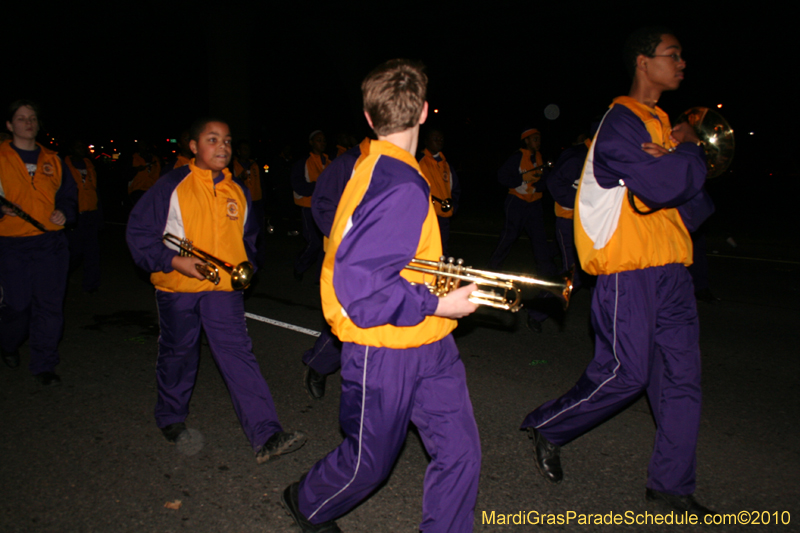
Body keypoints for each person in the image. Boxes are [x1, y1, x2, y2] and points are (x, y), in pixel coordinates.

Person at [520, 27, 716, 520]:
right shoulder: (622, 123)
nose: (682, 62)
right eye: (673, 55)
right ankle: (548, 426)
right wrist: (686, 153)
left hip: (673, 270)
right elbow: (661, 187)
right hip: (631, 272)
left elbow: (692, 204)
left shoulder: (661, 124)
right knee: (624, 374)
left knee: (682, 382)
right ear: (643, 63)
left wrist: (677, 161)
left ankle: (670, 485)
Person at [281, 59, 481, 533]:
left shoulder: (375, 166)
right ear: (426, 112)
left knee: (460, 452)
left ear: (369, 119)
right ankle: (305, 500)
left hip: (431, 343)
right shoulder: (398, 183)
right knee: (367, 464)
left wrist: (438, 290)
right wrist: (439, 302)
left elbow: (394, 258)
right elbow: (363, 292)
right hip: (385, 345)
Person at [126, 117, 306, 463]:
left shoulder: (238, 189)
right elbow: (139, 235)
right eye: (212, 140)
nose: (222, 147)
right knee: (179, 352)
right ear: (193, 146)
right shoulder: (171, 185)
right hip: (178, 286)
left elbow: (249, 239)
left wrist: (247, 267)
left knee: (237, 353)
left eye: (226, 141)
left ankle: (266, 433)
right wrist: (177, 262)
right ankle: (171, 415)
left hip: (224, 289)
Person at [0, 100, 77, 385]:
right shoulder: (1, 157)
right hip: (11, 243)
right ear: (10, 125)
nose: (28, 123)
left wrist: (65, 212)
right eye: (21, 118)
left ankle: (44, 364)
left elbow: (68, 195)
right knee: (17, 305)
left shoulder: (53, 159)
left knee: (49, 306)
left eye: (32, 118)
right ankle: (7, 343)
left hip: (50, 244)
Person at [301, 136, 371, 400]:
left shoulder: (398, 160)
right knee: (350, 319)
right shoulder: (347, 163)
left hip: (387, 254)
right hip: (349, 255)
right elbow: (322, 204)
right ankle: (319, 363)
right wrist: (351, 240)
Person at [488, 128, 556, 276]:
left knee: (539, 239)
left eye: (539, 139)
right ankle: (494, 267)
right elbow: (502, 176)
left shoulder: (539, 157)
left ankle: (546, 272)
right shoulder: (517, 157)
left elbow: (545, 178)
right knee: (509, 236)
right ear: (526, 141)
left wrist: (539, 185)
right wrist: (522, 179)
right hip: (517, 202)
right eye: (535, 139)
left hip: (534, 204)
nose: (538, 142)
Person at [291, 130, 329, 281]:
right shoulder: (303, 162)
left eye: (324, 140)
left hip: (325, 207)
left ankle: (320, 276)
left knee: (325, 243)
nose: (322, 143)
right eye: (319, 140)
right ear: (311, 142)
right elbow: (298, 185)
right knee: (315, 242)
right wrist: (318, 186)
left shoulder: (329, 161)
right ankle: (300, 265)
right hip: (308, 206)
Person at [65, 139, 102, 293]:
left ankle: (91, 285)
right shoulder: (63, 165)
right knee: (74, 252)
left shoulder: (90, 164)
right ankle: (62, 277)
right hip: (75, 215)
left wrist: (100, 215)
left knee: (92, 251)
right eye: (78, 145)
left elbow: (96, 191)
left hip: (91, 214)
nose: (82, 148)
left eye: (83, 146)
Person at [418, 128, 460, 256]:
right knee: (422, 250)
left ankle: (440, 276)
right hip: (424, 216)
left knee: (442, 251)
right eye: (435, 139)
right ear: (426, 141)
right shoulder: (418, 161)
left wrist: (452, 207)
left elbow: (455, 188)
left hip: (442, 217)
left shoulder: (445, 164)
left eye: (441, 139)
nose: (439, 141)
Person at [233, 140, 266, 267]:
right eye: (243, 149)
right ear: (238, 151)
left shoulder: (254, 165)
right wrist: (240, 178)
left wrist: (264, 200)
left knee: (259, 233)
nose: (246, 152)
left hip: (257, 202)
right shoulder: (234, 165)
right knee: (243, 233)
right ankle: (243, 260)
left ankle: (259, 261)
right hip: (242, 203)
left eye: (248, 149)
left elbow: (261, 183)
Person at [127, 140, 160, 206]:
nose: (143, 147)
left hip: (153, 190)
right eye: (141, 145)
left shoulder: (155, 159)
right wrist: (136, 169)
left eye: (144, 145)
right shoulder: (133, 158)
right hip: (137, 190)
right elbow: (126, 175)